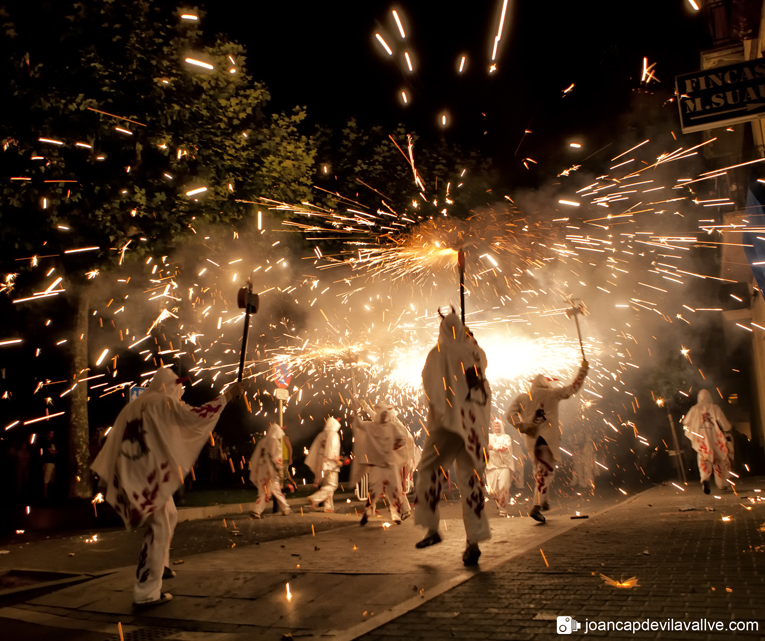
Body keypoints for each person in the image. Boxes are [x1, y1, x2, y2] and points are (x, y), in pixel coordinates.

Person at [92, 368, 242, 608]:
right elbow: (194, 416)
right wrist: (226, 396)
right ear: (167, 385)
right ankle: (146, 592)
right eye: (178, 386)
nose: (180, 391)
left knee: (169, 515)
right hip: (147, 479)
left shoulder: (138, 404)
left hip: (137, 474)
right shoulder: (162, 402)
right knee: (159, 527)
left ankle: (160, 564)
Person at [415, 309, 492, 566]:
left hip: (448, 423)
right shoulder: (477, 353)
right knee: (472, 484)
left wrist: (439, 410)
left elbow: (430, 385)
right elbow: (482, 366)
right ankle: (473, 542)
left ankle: (432, 527)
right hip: (474, 428)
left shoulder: (438, 352)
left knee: (428, 470)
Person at [507, 360, 589, 524]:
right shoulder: (552, 394)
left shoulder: (523, 397)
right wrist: (583, 371)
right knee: (546, 473)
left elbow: (509, 415)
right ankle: (536, 506)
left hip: (532, 442)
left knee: (539, 471)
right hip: (546, 441)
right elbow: (573, 388)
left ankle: (542, 501)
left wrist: (522, 426)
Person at [351, 401, 408, 525]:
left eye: (385, 414)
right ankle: (368, 512)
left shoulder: (392, 427)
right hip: (377, 466)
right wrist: (355, 411)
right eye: (382, 414)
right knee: (374, 490)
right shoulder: (371, 426)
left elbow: (401, 440)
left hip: (390, 465)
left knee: (394, 490)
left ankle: (396, 515)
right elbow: (358, 424)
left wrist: (392, 447)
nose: (383, 416)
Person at [682, 389, 733, 494]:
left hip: (701, 439)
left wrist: (691, 433)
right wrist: (727, 430)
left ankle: (705, 479)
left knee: (703, 459)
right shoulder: (714, 408)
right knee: (720, 459)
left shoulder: (694, 409)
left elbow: (686, 423)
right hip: (715, 438)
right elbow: (724, 422)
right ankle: (722, 484)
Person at [249, 422, 292, 517]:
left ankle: (286, 508)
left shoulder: (262, 441)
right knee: (266, 491)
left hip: (261, 470)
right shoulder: (274, 442)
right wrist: (280, 469)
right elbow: (276, 457)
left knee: (274, 489)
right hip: (270, 471)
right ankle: (257, 510)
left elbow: (255, 456)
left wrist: (253, 468)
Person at [306, 417, 342, 512]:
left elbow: (316, 449)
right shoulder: (334, 434)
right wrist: (337, 460)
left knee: (326, 485)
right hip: (330, 464)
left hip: (321, 463)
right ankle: (315, 498)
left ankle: (328, 507)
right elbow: (333, 449)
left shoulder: (321, 435)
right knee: (332, 485)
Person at [487, 419, 514, 517]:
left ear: (501, 427)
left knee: (503, 488)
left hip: (504, 467)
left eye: (498, 426)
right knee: (491, 491)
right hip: (491, 467)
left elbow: (506, 447)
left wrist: (493, 447)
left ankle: (503, 510)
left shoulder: (506, 437)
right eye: (495, 426)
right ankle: (499, 502)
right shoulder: (489, 437)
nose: (496, 428)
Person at [41, 430, 58, 499]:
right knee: (46, 479)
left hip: (52, 462)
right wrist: (59, 451)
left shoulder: (52, 442)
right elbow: (51, 452)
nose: (52, 435)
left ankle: (50, 494)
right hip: (47, 462)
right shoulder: (46, 442)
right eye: (51, 433)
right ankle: (45, 494)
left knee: (52, 479)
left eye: (53, 433)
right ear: (47, 434)